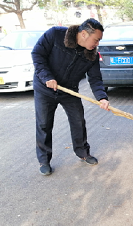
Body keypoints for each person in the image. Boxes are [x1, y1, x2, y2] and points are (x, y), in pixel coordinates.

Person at [31, 18, 110, 176]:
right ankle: (44, 160)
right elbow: (37, 55)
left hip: (69, 90)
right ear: (83, 34)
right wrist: (47, 77)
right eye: (96, 40)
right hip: (45, 88)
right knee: (44, 124)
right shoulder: (55, 35)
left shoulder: (92, 55)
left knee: (78, 121)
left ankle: (83, 152)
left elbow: (95, 79)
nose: (97, 44)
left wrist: (101, 97)